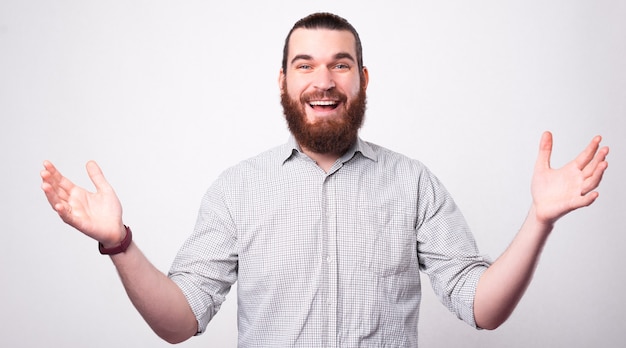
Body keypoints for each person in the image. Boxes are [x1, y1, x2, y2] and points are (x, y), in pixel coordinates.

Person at [41, 12, 609, 347]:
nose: (323, 80)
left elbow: (481, 307)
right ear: (283, 81)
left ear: (361, 79)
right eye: (305, 64)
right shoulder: (236, 189)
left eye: (340, 64)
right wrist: (118, 243)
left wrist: (538, 221)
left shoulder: (413, 184)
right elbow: (180, 320)